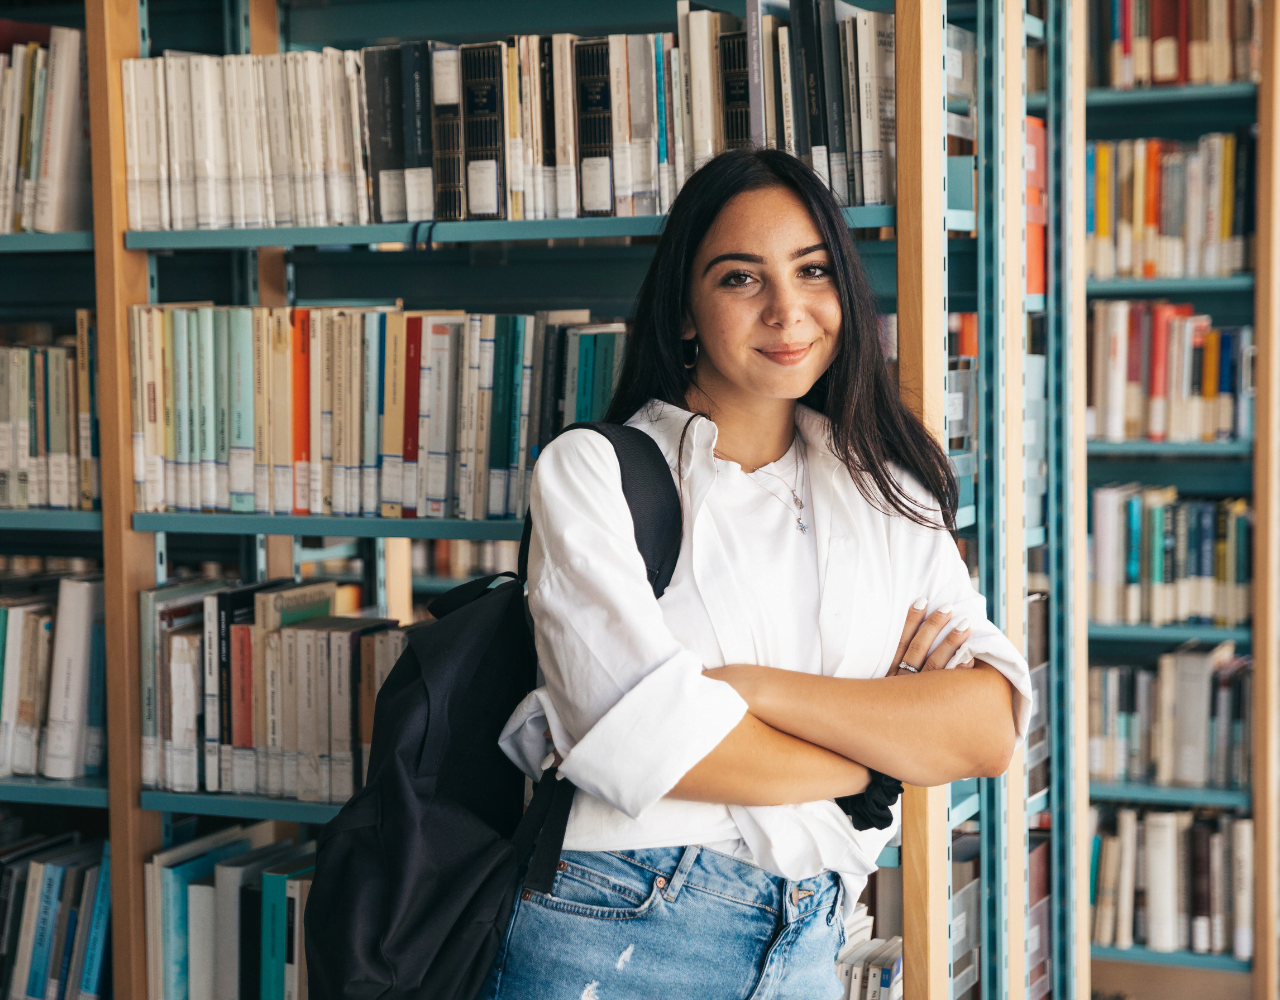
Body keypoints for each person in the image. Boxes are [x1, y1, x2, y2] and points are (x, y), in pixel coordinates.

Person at [481, 148, 1031, 1000]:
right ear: (688, 311)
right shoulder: (591, 472)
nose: (788, 311)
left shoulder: (885, 489)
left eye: (812, 271)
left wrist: (750, 691)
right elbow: (651, 744)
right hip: (615, 931)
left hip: (809, 939)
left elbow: (986, 728)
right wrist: (877, 759)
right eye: (742, 279)